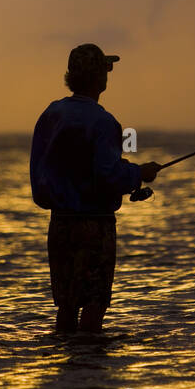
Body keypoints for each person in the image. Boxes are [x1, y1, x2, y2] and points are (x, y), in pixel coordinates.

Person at [30, 43, 161, 333]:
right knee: (93, 304)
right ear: (99, 78)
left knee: (66, 305)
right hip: (95, 227)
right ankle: (90, 369)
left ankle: (65, 368)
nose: (108, 75)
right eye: (105, 69)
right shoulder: (105, 122)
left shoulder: (51, 115)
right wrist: (139, 173)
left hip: (60, 224)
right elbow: (108, 175)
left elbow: (40, 174)